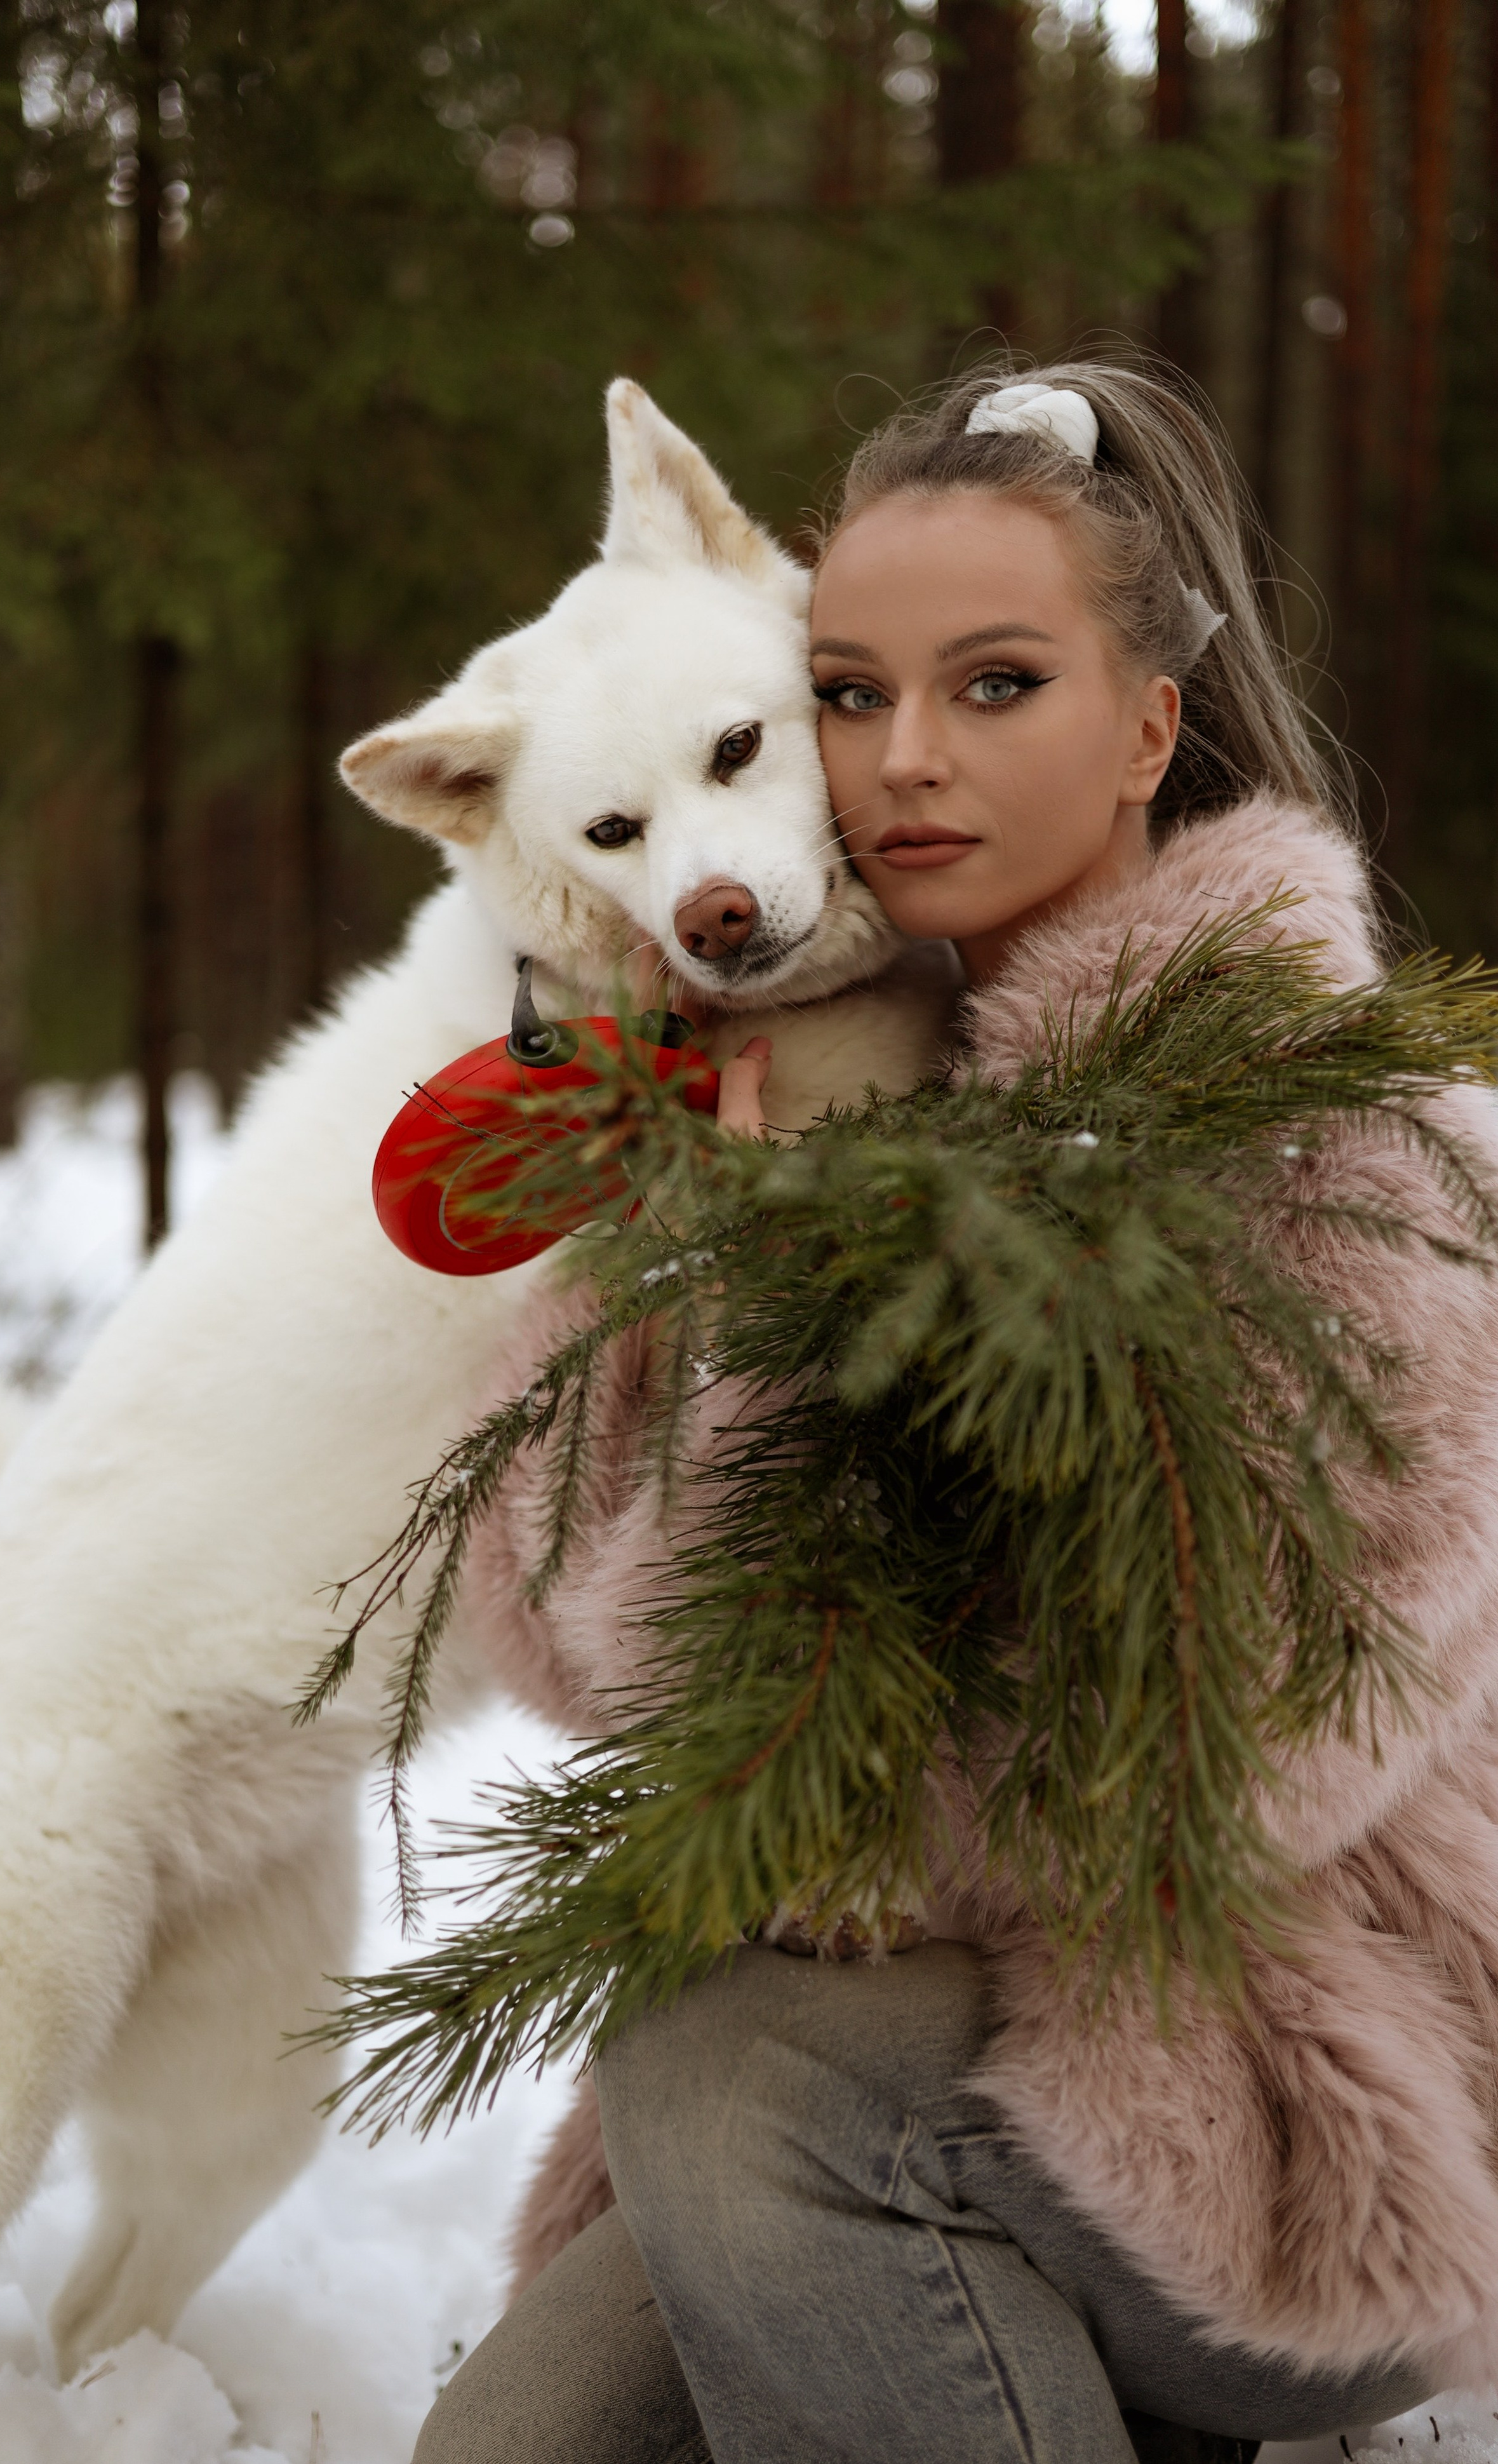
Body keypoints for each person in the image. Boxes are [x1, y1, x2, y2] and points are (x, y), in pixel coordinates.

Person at [415, 361, 1498, 2463]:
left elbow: (1256, 1742)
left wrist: (815, 1830)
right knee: (517, 2447)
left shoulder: (1344, 1133)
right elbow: (559, 1626)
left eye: (995, 687)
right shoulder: (771, 1088)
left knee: (728, 2072)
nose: (900, 761)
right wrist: (732, 1280)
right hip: (901, 2044)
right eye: (845, 689)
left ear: (1151, 728)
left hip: (1293, 2090)